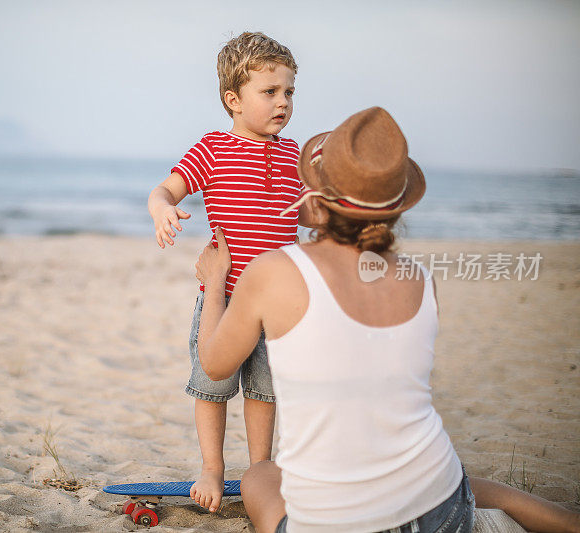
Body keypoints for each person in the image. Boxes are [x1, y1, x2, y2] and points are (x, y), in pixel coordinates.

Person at [194, 107, 580, 532]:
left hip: (333, 524)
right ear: (397, 206)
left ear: (315, 201)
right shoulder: (419, 279)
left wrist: (216, 281)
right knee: (467, 484)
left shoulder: (274, 271)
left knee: (259, 475)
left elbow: (214, 365)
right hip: (440, 509)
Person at [147, 31, 314, 513]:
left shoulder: (293, 155)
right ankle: (213, 468)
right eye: (270, 92)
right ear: (233, 99)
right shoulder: (214, 149)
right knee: (213, 385)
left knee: (264, 389)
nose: (283, 102)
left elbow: (301, 213)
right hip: (224, 298)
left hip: (278, 303)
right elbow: (165, 191)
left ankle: (260, 469)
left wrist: (328, 213)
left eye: (289, 92)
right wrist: (162, 211)